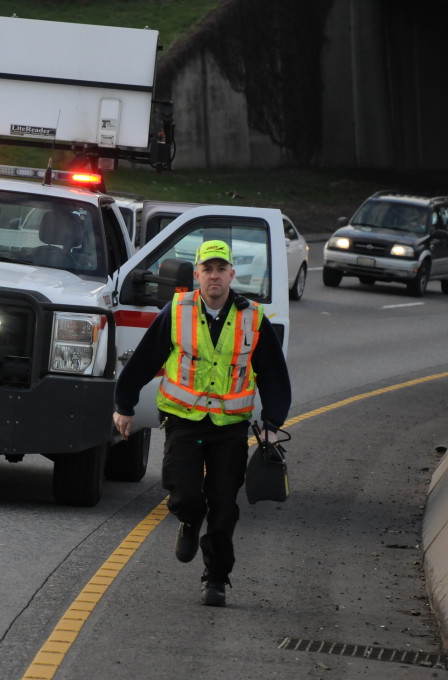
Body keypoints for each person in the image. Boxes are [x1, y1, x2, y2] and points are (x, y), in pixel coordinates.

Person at [112, 240, 291, 607]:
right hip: (184, 422)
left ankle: (216, 577)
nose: (214, 276)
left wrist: (272, 423)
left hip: (229, 428)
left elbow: (273, 374)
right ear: (197, 274)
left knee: (225, 504)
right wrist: (124, 404)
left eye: (221, 269)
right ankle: (190, 520)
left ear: (231, 274)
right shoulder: (178, 310)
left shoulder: (252, 317)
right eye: (207, 269)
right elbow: (145, 359)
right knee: (186, 494)